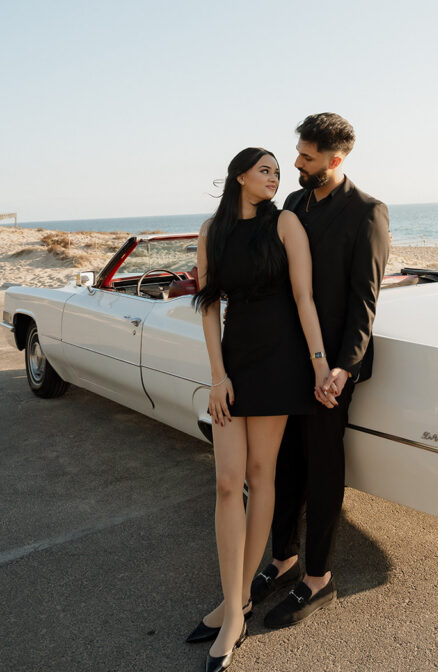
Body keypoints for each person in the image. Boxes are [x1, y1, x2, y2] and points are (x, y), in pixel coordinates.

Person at [186, 147, 331, 672]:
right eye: (265, 170)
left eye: (277, 171)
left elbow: (304, 298)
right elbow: (206, 305)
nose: (275, 177)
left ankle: (236, 607)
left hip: (281, 361)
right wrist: (217, 375)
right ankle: (234, 601)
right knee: (227, 481)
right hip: (235, 362)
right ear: (240, 176)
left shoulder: (287, 223)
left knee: (259, 473)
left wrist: (318, 364)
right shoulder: (211, 230)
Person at [253, 113, 391, 628]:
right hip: (286, 359)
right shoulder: (292, 204)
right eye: (298, 154)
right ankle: (282, 559)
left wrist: (344, 368)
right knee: (285, 463)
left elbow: (365, 300)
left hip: (332, 369)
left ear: (336, 160)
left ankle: (317, 579)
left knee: (322, 467)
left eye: (306, 158)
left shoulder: (368, 212)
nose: (295, 164)